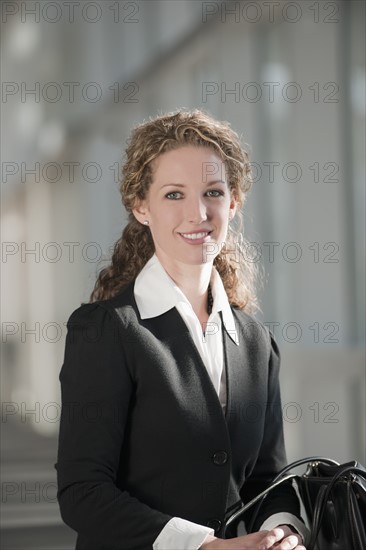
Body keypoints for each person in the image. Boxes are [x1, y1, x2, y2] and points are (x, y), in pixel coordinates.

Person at [56, 109, 307, 550]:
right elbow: (83, 493)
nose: (198, 212)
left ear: (233, 203)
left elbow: (270, 480)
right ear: (141, 207)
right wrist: (204, 547)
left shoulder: (254, 343)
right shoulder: (106, 331)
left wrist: (282, 532)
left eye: (213, 192)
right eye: (174, 194)